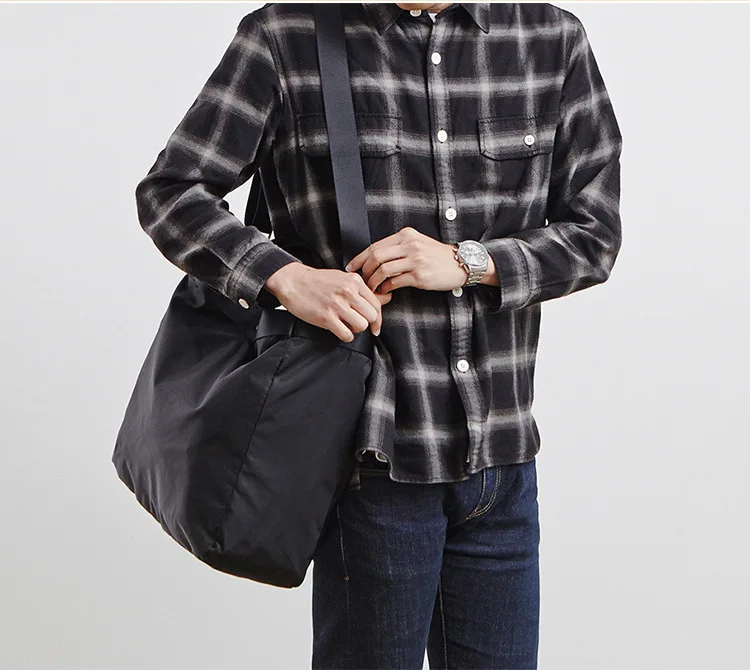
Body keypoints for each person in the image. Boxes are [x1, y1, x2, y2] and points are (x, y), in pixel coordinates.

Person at [134, 2, 622, 667]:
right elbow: (172, 192)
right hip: (373, 463)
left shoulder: (550, 38)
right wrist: (283, 276)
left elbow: (595, 234)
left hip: (502, 462)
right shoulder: (285, 34)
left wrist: (471, 262)